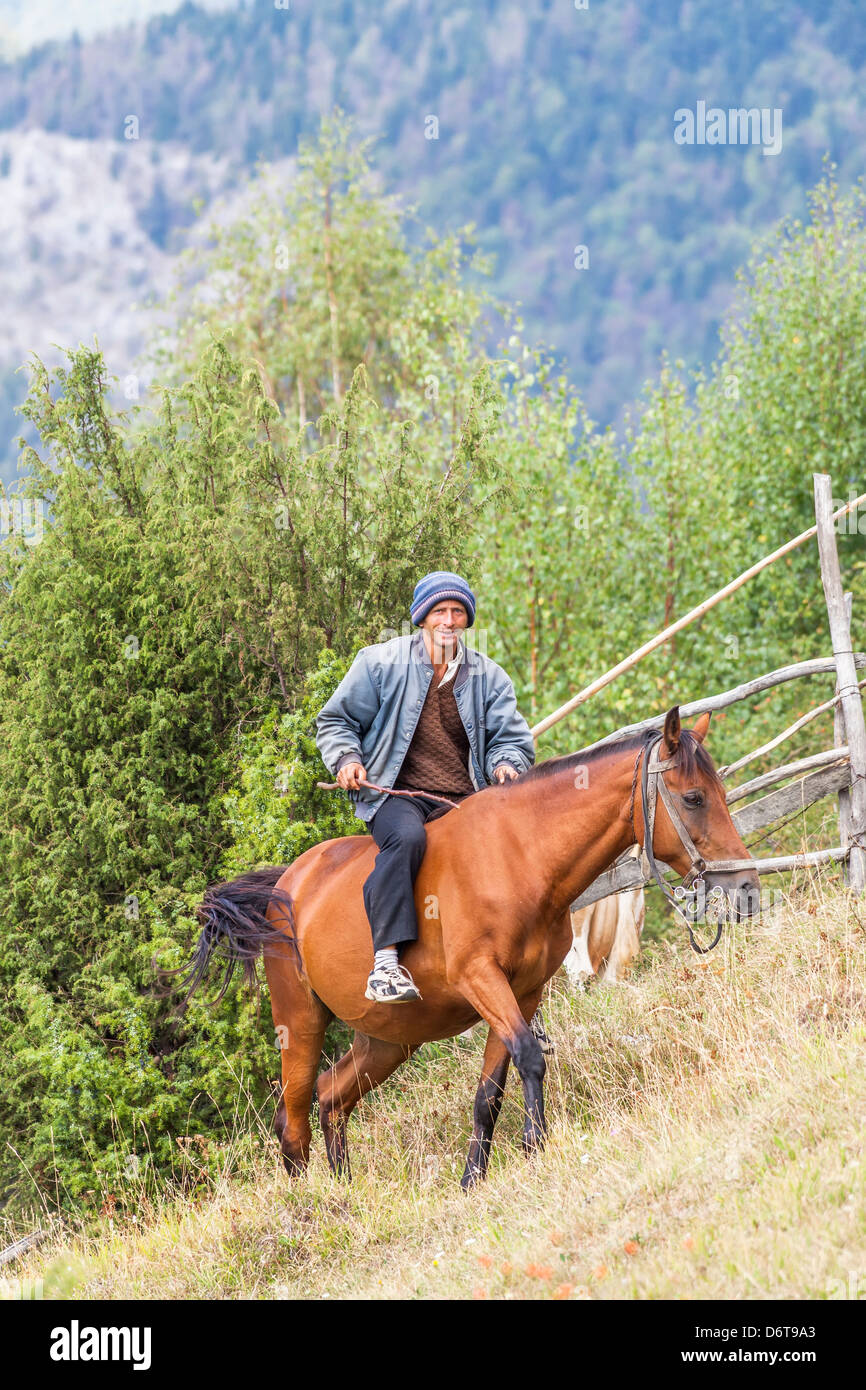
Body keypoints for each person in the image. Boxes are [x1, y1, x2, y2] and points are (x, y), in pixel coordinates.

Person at [315, 570, 537, 1005]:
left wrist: (507, 765)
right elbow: (336, 720)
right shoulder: (380, 664)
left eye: (458, 612)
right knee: (407, 839)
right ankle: (385, 964)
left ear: (466, 621)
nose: (449, 620)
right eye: (440, 611)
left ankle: (519, 977)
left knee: (509, 859)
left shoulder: (489, 677)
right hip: (394, 794)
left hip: (463, 800)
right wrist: (347, 759)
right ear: (422, 618)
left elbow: (510, 740)